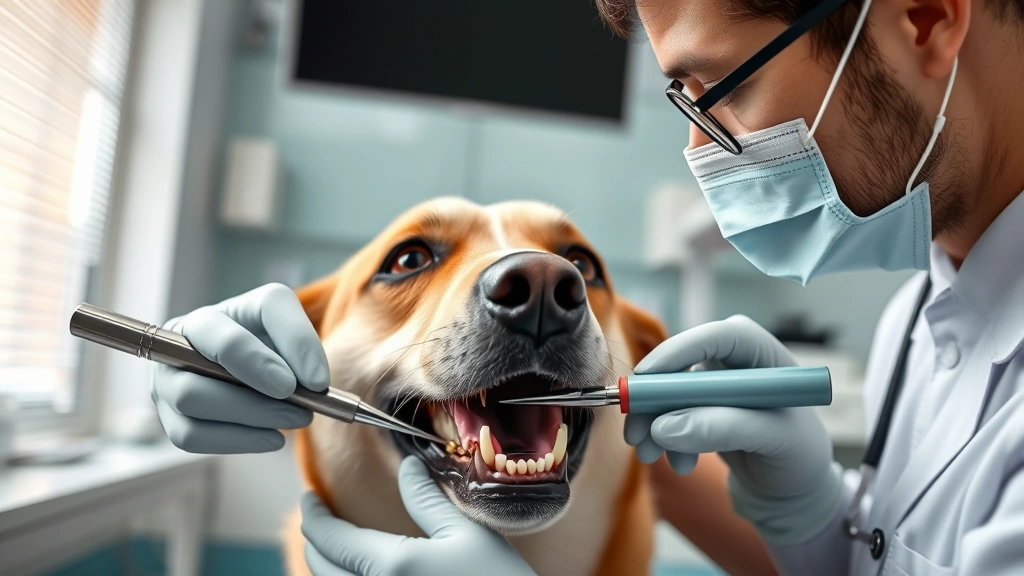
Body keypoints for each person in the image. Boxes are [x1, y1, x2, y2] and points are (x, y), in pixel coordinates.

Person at [150, 0, 1024, 572]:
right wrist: (816, 521)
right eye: (679, 101)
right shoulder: (927, 302)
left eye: (718, 88)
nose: (698, 156)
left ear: (925, 17)